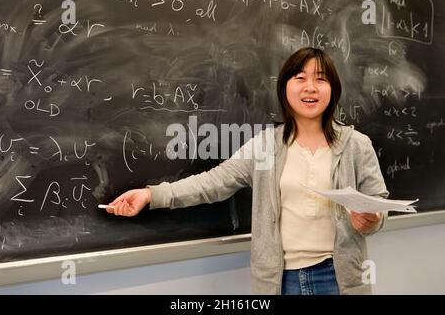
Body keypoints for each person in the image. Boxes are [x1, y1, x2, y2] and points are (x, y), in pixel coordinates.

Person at [106, 47, 389, 295]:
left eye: (321, 79)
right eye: (300, 78)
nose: (310, 87)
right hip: (279, 281)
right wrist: (151, 195)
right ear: (285, 88)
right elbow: (213, 183)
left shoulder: (356, 145)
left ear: (333, 90)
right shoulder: (266, 145)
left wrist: (371, 220)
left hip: (339, 279)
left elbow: (378, 205)